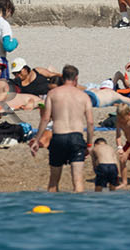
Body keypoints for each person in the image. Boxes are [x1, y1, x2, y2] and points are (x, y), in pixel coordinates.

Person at [30, 65, 93, 193]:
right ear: (76, 78)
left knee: (53, 183)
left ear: (62, 78)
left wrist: (37, 140)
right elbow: (90, 122)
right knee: (78, 183)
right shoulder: (83, 96)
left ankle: (54, 211)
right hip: (76, 137)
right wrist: (89, 144)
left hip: (58, 137)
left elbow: (45, 119)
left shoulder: (52, 94)